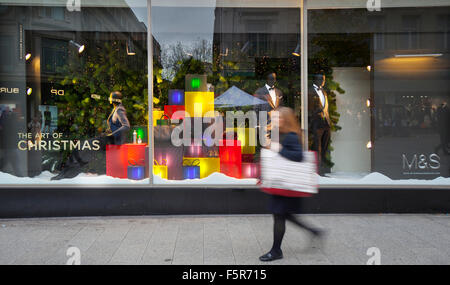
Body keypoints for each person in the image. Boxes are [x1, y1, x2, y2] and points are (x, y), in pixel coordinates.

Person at [259, 107, 323, 262]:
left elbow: (298, 156)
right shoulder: (281, 134)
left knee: (280, 216)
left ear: (285, 120)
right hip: (282, 183)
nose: (274, 121)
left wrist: (279, 149)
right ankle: (313, 231)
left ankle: (276, 251)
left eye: (278, 118)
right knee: (285, 215)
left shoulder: (291, 136)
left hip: (287, 184)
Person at [51, 91, 130, 180]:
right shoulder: (117, 109)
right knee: (84, 146)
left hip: (114, 140)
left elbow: (126, 126)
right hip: (111, 138)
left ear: (114, 99)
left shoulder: (119, 110)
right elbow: (116, 125)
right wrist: (107, 132)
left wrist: (112, 134)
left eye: (111, 97)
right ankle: (68, 172)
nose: (110, 99)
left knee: (84, 146)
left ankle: (67, 172)